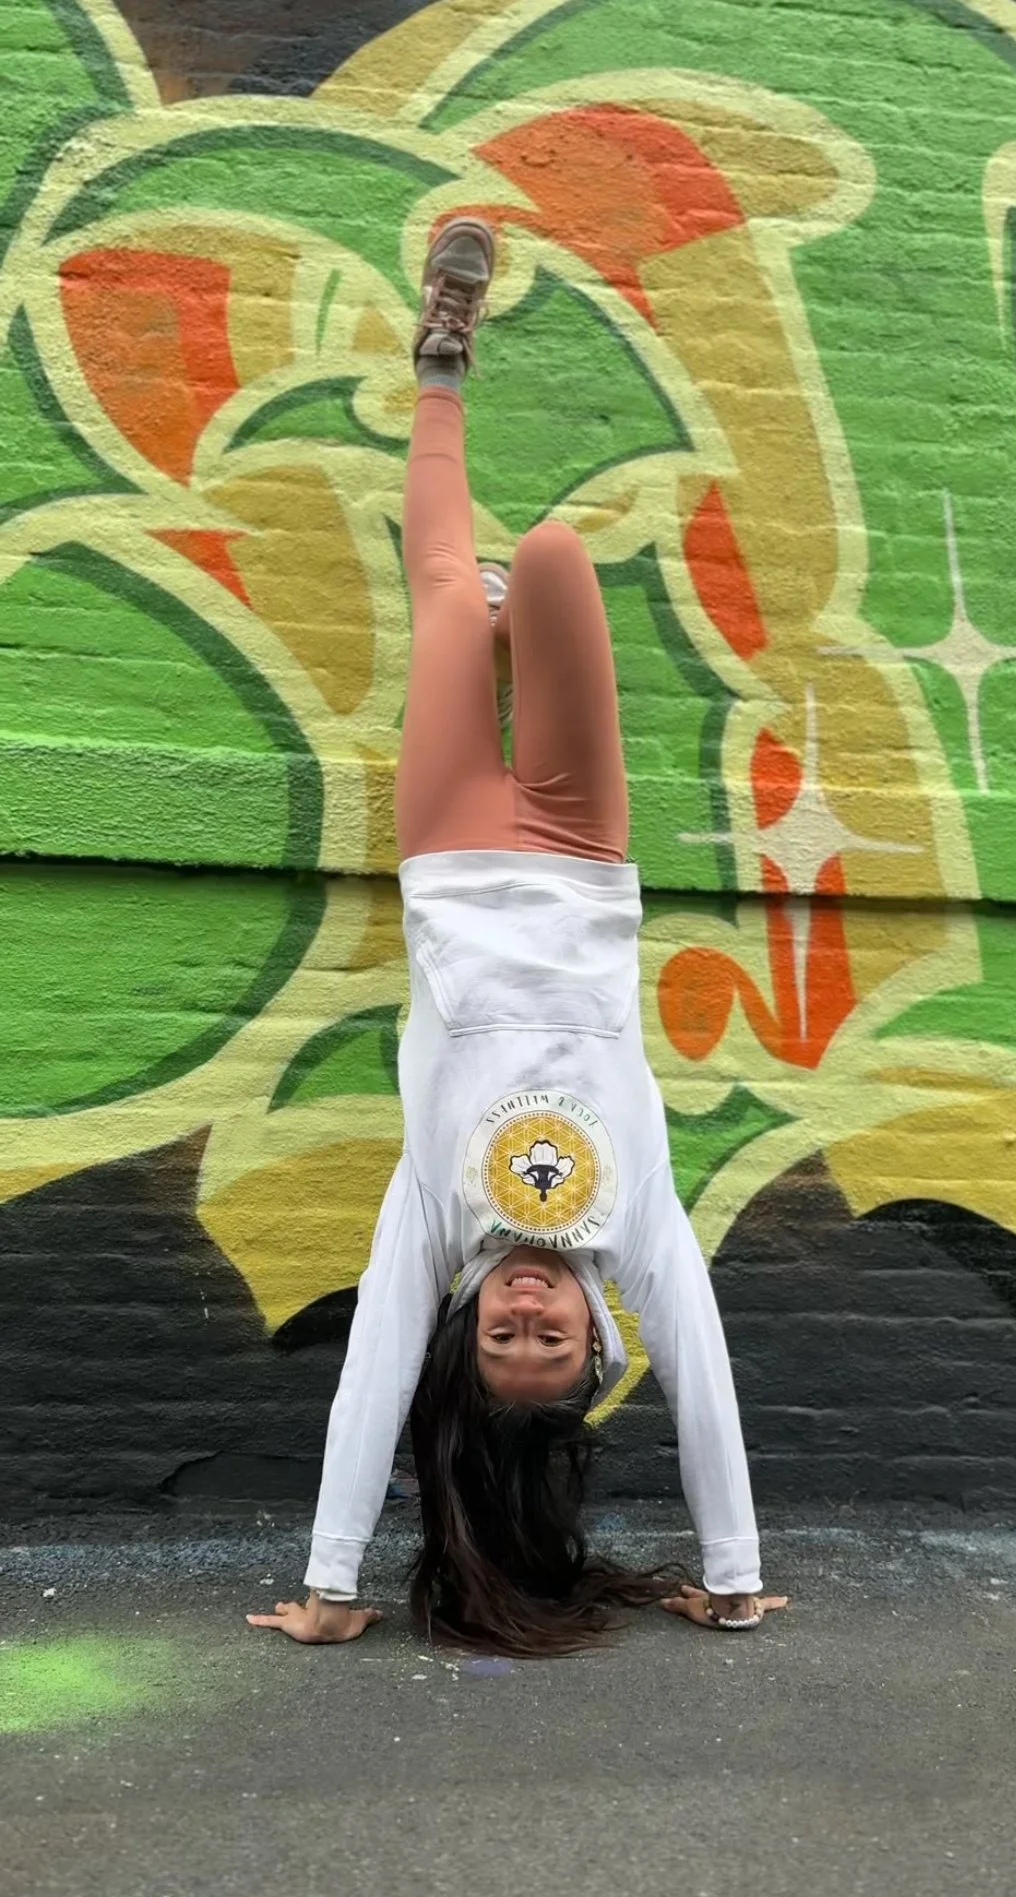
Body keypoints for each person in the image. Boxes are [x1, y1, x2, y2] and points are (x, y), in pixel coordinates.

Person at [247, 219, 786, 1654]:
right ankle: (489, 571)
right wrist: (729, 1577)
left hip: (445, 854)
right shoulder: (635, 1228)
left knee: (449, 600)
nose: (533, 1313)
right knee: (548, 558)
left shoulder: (431, 1219)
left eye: (507, 1338)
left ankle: (441, 362)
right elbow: (711, 1381)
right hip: (575, 855)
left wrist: (332, 1585)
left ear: (473, 1329)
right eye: (554, 1342)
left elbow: (370, 1379)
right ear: (600, 1347)